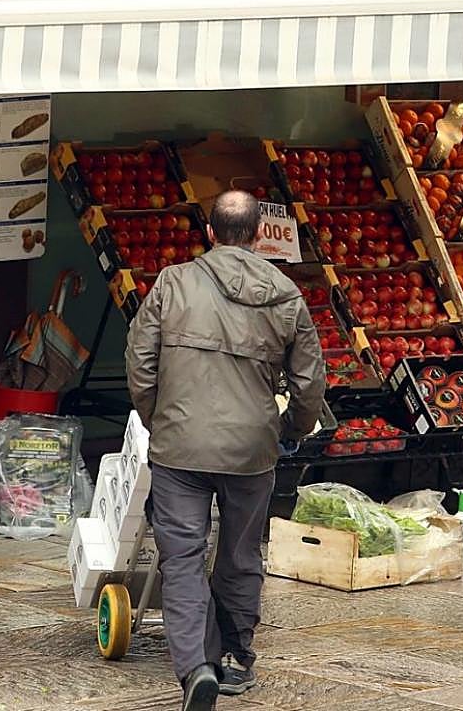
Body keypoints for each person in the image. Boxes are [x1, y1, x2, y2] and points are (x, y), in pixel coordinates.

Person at [125, 190, 326, 710]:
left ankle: (195, 667)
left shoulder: (173, 283)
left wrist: (158, 420)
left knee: (183, 557)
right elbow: (309, 384)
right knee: (239, 553)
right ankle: (236, 657)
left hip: (179, 449)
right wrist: (292, 430)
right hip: (251, 450)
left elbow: (140, 363)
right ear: (260, 235)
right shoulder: (286, 295)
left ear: (209, 232)